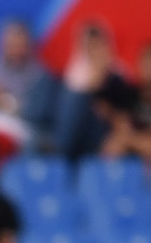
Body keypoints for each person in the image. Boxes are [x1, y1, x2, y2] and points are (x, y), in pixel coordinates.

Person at [0, 18, 59, 153]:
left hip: (24, 132)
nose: (16, 50)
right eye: (11, 44)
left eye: (20, 44)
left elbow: (35, 115)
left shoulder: (40, 75)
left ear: (29, 45)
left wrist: (3, 99)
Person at [53, 22, 135, 162]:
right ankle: (61, 159)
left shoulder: (119, 75)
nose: (94, 51)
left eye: (98, 45)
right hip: (79, 137)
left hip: (110, 134)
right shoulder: (73, 77)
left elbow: (125, 114)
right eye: (89, 46)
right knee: (76, 99)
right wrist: (96, 78)